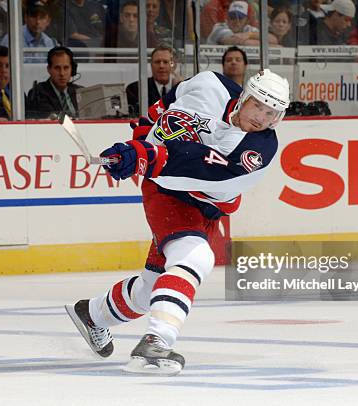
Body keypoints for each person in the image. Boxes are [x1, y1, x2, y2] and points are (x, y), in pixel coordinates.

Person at [66, 68, 290, 375]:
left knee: (152, 289)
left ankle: (91, 314)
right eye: (258, 106)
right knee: (196, 257)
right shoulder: (210, 83)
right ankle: (157, 342)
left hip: (200, 201)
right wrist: (140, 139)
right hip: (166, 192)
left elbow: (204, 169)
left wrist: (147, 155)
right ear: (245, 97)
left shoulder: (258, 149)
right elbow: (167, 105)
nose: (262, 118)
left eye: (272, 113)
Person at [26, 46, 81, 119]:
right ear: (49, 69)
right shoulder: (38, 93)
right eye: (57, 68)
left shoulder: (80, 91)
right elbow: (50, 117)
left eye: (66, 68)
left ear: (72, 69)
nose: (62, 73)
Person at [125, 45, 179, 116]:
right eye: (157, 62)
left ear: (174, 66)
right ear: (151, 65)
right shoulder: (135, 89)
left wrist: (179, 86)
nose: (161, 66)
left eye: (165, 62)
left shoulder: (181, 89)